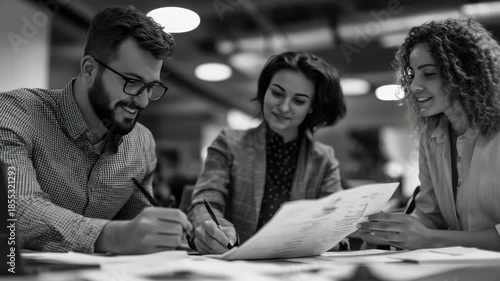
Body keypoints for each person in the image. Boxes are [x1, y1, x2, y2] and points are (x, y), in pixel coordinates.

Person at [0, 6, 192, 254]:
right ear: (89, 69)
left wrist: (190, 233)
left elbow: (141, 231)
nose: (143, 101)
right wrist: (110, 236)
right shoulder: (15, 113)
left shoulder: (142, 143)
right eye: (132, 82)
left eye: (151, 86)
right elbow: (15, 208)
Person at [357, 18, 500, 251]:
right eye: (412, 74)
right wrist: (388, 230)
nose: (413, 86)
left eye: (429, 73)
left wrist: (428, 238)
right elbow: (430, 217)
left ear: (466, 74)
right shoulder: (431, 138)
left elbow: (430, 234)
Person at [188, 52, 347, 254]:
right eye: (277, 93)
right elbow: (205, 202)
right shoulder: (229, 143)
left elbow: (335, 220)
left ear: (311, 108)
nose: (283, 107)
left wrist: (334, 235)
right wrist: (212, 228)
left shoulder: (324, 159)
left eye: (298, 101)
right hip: (234, 265)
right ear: (265, 91)